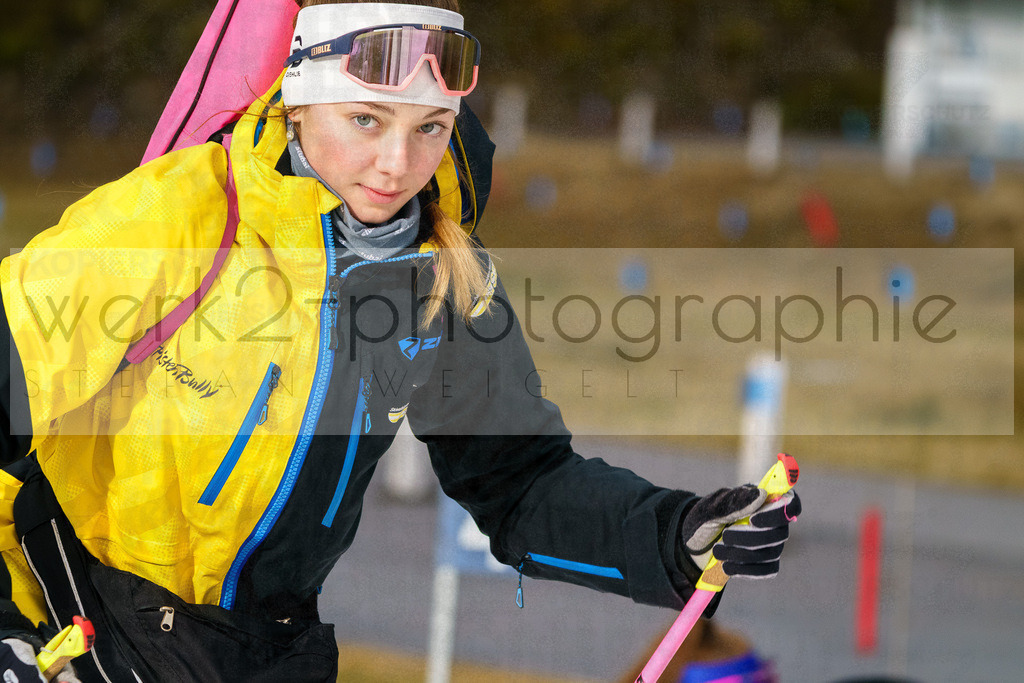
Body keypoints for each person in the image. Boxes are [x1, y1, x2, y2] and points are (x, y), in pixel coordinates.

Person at [0, 0, 801, 680]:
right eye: (365, 120)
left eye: (429, 128)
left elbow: (520, 486)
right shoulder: (180, 219)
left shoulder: (438, 273)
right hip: (81, 618)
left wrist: (676, 533)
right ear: (298, 99)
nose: (396, 164)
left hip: (269, 651)